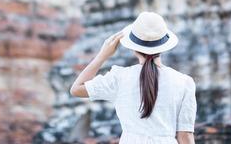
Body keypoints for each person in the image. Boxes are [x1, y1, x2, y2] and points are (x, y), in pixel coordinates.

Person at [70, 11, 197, 144]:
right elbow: (186, 136)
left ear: (133, 47)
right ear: (163, 46)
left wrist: (103, 55)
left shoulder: (119, 78)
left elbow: (76, 89)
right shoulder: (184, 82)